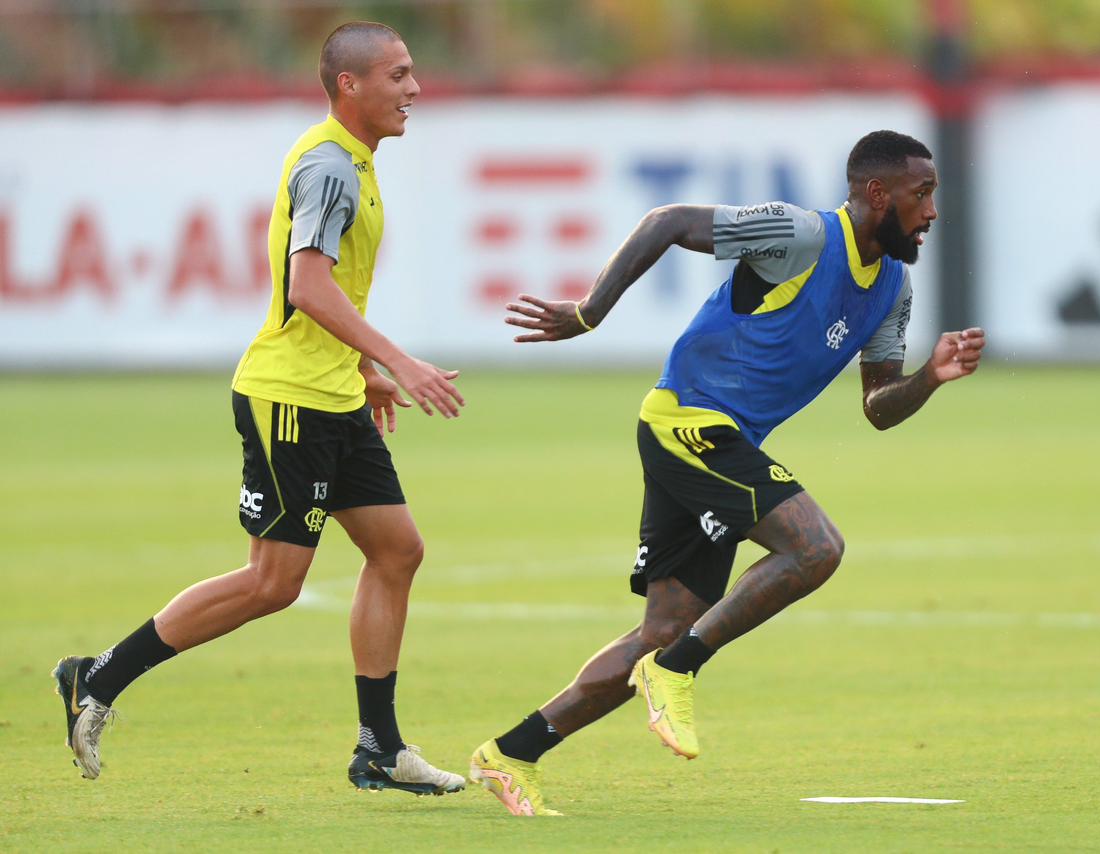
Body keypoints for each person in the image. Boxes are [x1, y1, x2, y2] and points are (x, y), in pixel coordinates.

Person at [469, 131, 986, 815]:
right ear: (876, 195)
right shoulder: (801, 235)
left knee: (660, 632)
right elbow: (668, 222)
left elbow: (879, 407)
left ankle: (511, 754)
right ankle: (678, 670)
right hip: (686, 421)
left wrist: (930, 376)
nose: (932, 212)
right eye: (923, 195)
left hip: (716, 440)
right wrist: (591, 310)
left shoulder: (893, 288)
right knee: (815, 547)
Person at [52, 21, 468, 797]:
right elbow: (306, 287)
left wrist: (361, 372)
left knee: (397, 551)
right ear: (351, 85)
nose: (415, 89)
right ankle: (97, 675)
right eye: (399, 74)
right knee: (273, 583)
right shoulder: (329, 167)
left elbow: (317, 295)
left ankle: (379, 747)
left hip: (333, 395)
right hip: (289, 403)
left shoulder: (355, 163)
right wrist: (397, 362)